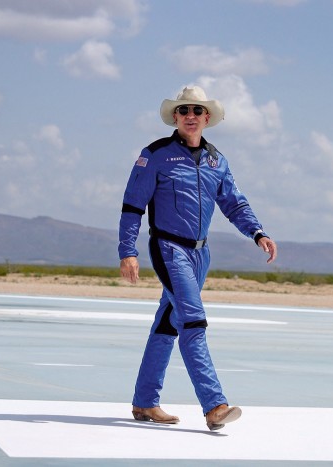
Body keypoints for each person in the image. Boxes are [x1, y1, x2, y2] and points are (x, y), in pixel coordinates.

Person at [118, 85, 277, 430]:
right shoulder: (155, 154)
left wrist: (257, 232)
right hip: (168, 248)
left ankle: (145, 402)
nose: (191, 116)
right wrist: (127, 250)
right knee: (193, 321)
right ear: (175, 117)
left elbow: (234, 202)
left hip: (200, 254)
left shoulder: (217, 160)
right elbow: (133, 206)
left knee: (166, 325)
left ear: (207, 118)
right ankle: (214, 405)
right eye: (184, 110)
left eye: (197, 111)